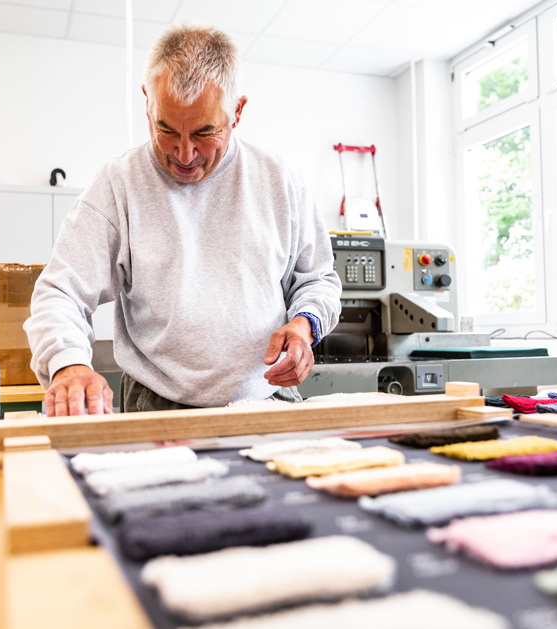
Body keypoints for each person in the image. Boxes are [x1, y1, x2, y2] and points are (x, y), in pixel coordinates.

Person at [25, 23, 341, 416]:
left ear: (237, 112)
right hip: (157, 405)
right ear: (147, 103)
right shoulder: (119, 185)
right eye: (166, 129)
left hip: (267, 398)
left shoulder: (279, 179)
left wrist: (304, 326)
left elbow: (318, 280)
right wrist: (68, 364)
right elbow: (61, 292)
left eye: (205, 132)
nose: (185, 153)